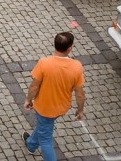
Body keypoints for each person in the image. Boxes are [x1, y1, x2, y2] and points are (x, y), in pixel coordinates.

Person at [23, 33, 86, 161]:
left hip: (44, 108)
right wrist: (80, 110)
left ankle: (33, 145)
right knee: (44, 126)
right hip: (61, 107)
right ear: (70, 48)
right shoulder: (76, 66)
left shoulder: (44, 63)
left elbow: (34, 86)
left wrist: (28, 100)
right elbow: (79, 93)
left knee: (46, 140)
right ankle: (31, 144)